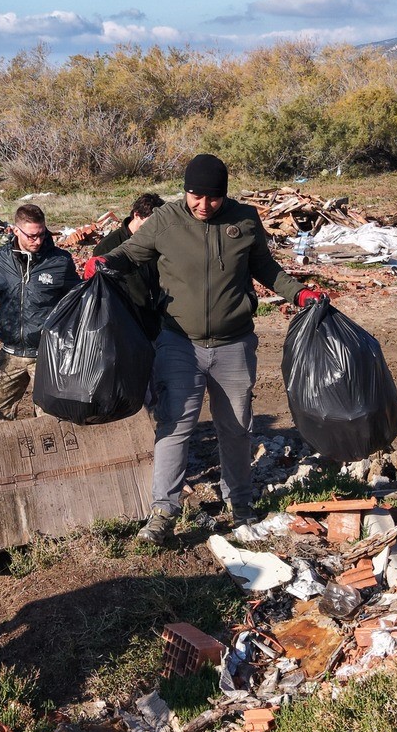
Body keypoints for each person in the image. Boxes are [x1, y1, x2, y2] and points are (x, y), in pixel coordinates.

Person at [90, 155, 325, 542]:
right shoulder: (165, 219)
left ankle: (241, 505)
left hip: (234, 344)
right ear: (185, 191)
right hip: (178, 343)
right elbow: (130, 253)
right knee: (175, 425)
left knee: (236, 428)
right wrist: (102, 261)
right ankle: (163, 512)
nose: (203, 205)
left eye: (212, 197)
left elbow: (265, 268)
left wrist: (298, 293)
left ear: (224, 194)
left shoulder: (244, 219)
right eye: (196, 196)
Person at [0, 203, 77, 421]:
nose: (38, 241)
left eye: (42, 234)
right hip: (12, 353)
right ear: (16, 230)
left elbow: (76, 299)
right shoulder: (2, 257)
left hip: (47, 355)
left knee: (52, 419)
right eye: (32, 236)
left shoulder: (60, 261)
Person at [92, 192, 165, 339]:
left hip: (157, 321)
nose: (153, 230)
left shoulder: (158, 242)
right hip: (127, 325)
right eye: (150, 224)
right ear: (136, 215)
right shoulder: (108, 247)